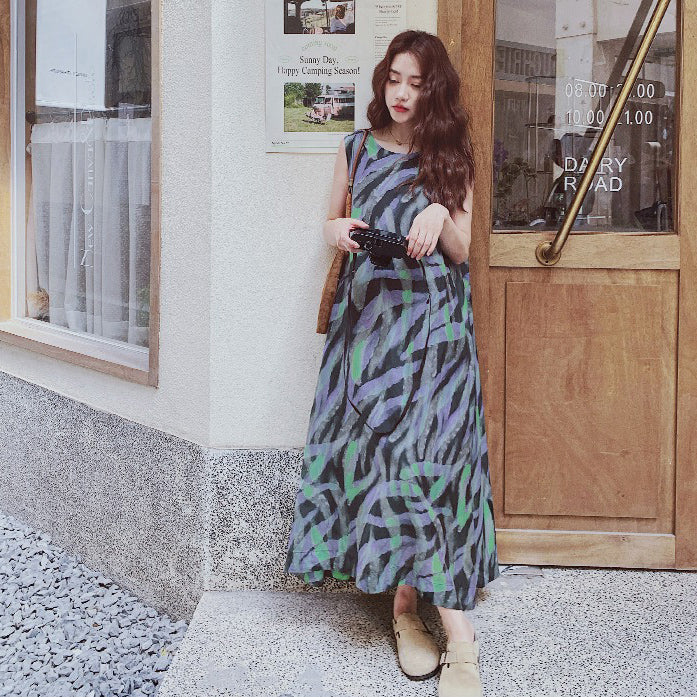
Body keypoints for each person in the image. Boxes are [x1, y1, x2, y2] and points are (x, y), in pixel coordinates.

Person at [284, 29, 500, 697]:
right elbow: (330, 222)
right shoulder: (355, 147)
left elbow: (462, 251)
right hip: (371, 332)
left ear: (435, 90)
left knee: (433, 464)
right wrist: (338, 232)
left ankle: (451, 629)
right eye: (394, 79)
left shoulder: (451, 154)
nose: (401, 93)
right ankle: (407, 609)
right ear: (382, 80)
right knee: (387, 463)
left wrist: (438, 213)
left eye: (416, 83)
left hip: (436, 338)